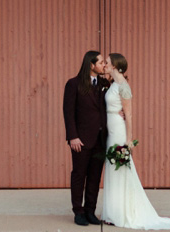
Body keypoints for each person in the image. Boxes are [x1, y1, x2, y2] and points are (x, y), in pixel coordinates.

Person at [101, 53, 170, 229]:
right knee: (111, 169)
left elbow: (129, 114)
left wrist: (129, 140)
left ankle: (122, 213)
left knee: (120, 169)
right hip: (111, 130)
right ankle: (112, 212)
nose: (105, 65)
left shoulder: (123, 86)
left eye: (107, 63)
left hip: (119, 132)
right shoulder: (113, 84)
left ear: (115, 65)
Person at [63, 50, 109, 226]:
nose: (104, 65)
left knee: (95, 177)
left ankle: (90, 210)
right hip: (81, 140)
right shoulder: (73, 84)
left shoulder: (104, 83)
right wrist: (72, 136)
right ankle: (78, 212)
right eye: (101, 62)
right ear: (91, 65)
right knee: (79, 175)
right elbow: (68, 112)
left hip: (101, 139)